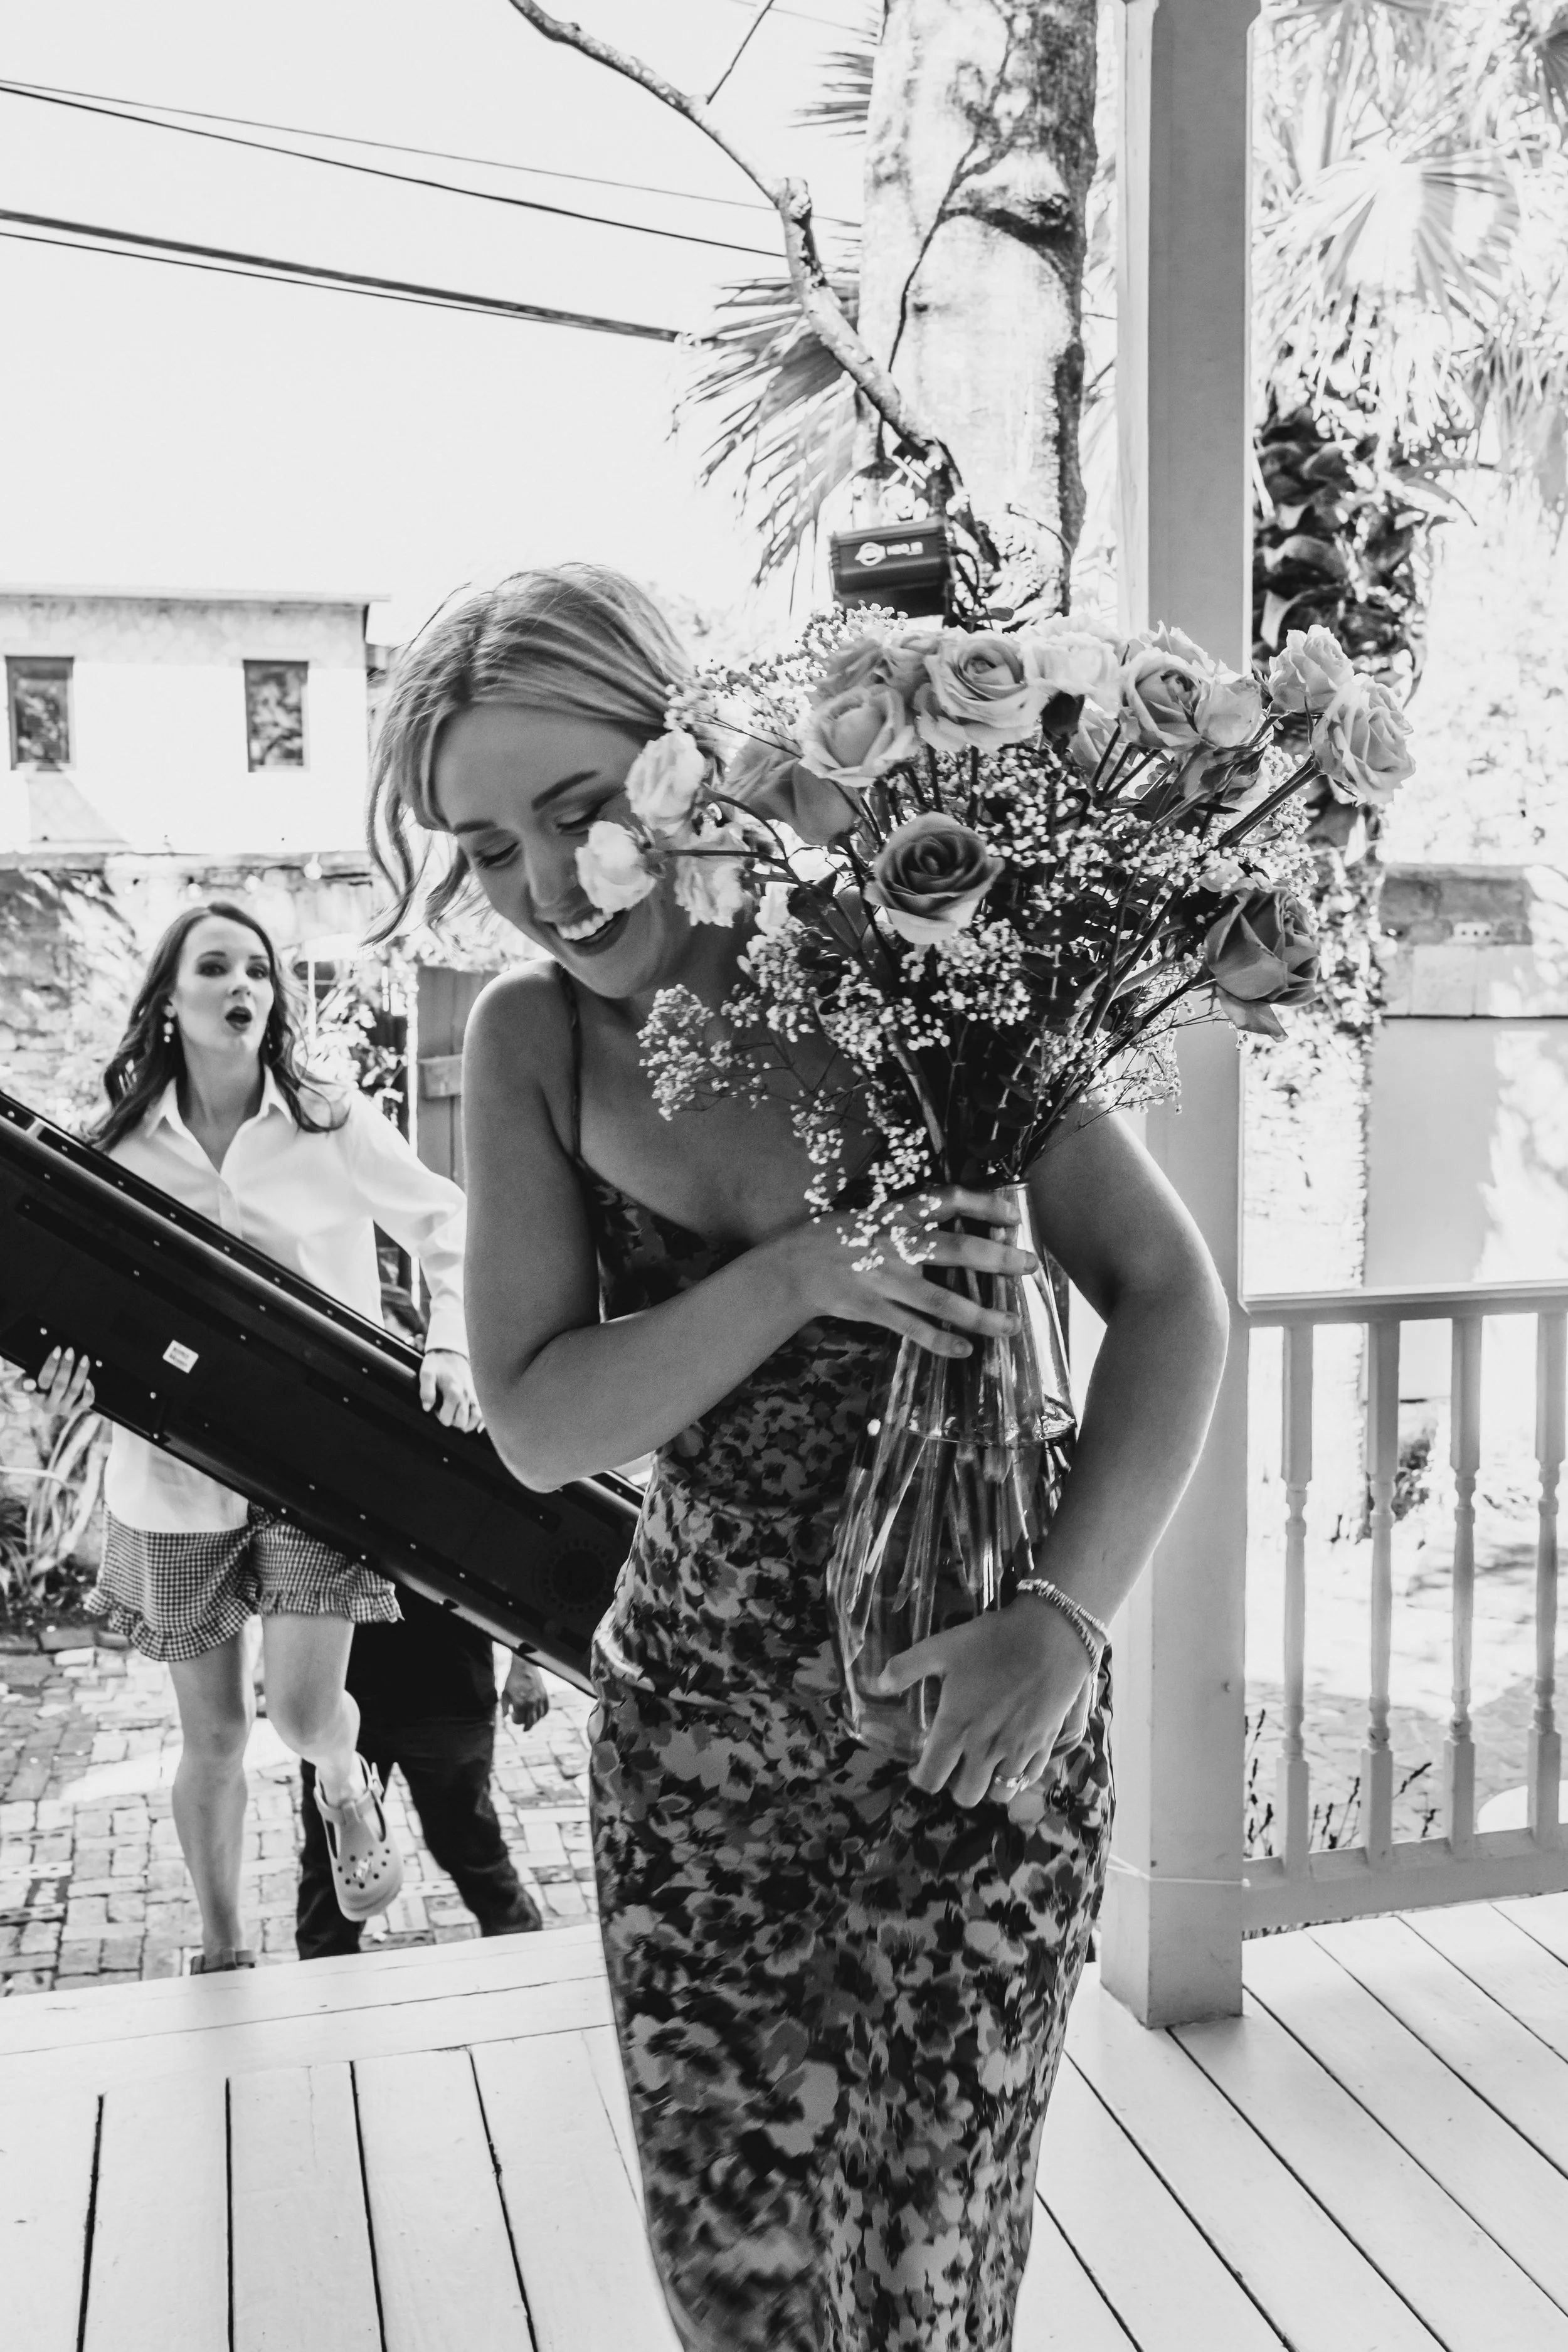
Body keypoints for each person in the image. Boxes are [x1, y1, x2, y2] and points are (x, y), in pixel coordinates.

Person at [368, 567, 1229, 2352]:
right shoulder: (531, 1039)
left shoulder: (917, 963)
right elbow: (538, 1420)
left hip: (975, 1739)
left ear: (683, 765)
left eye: (576, 812)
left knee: (935, 2291)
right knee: (747, 2302)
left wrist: (1060, 1624)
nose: (538, 885)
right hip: (703, 1763)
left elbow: (1168, 1298)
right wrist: (801, 1270)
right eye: (479, 843)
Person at [33, 901, 481, 1973]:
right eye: (217, 967)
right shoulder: (118, 1148)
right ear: (171, 1001)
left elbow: (449, 1224)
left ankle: (342, 1779)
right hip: (172, 1478)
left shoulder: (331, 1121)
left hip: (316, 1467)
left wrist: (451, 1346)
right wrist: (58, 1366)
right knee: (217, 1738)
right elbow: (72, 1294)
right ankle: (224, 1952)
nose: (246, 984)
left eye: (261, 970)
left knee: (303, 1712)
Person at [295, 1592, 550, 1958]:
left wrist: (526, 1659)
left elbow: (513, 1552)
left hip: (449, 1680)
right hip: (340, 1688)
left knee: (471, 1847)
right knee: (330, 1863)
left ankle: (530, 1974)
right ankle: (324, 1999)